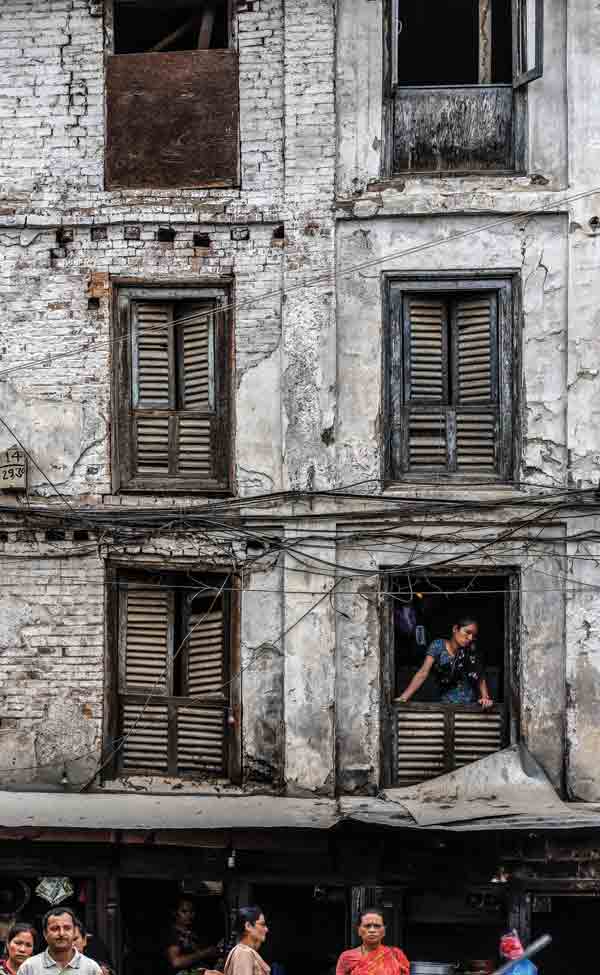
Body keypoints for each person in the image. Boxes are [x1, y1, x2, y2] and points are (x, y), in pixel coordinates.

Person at [398, 616, 493, 708]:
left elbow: (479, 675)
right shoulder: (438, 646)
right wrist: (403, 698)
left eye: (473, 635)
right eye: (467, 632)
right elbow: (423, 672)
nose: (470, 638)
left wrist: (485, 697)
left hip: (470, 706)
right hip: (445, 705)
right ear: (455, 629)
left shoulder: (471, 651)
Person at [16, 909, 101, 975]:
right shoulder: (29, 968)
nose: (61, 933)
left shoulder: (91, 968)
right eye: (55, 928)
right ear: (45, 934)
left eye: (67, 928)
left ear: (74, 932)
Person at [336, 908, 409, 975]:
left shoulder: (396, 955)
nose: (372, 930)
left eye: (377, 926)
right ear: (359, 930)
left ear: (384, 931)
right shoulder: (347, 957)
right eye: (367, 926)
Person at [165, 898, 221, 975]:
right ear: (174, 913)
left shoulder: (192, 933)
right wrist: (204, 953)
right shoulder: (173, 934)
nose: (189, 915)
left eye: (191, 911)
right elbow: (176, 962)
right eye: (184, 911)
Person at [223, 908, 269, 975]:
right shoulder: (243, 953)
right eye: (262, 924)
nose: (266, 929)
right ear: (248, 926)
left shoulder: (243, 952)